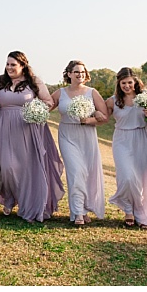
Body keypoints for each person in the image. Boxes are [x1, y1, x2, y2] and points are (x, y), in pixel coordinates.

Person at [0, 51, 64, 223]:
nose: (9, 68)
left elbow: (48, 102)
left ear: (23, 65)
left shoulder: (34, 81)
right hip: (5, 128)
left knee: (26, 169)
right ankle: (9, 198)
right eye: (7, 64)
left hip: (28, 130)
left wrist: (36, 110)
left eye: (13, 65)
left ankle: (26, 203)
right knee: (7, 167)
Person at [50, 60, 109, 226]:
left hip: (87, 135)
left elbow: (104, 117)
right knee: (76, 172)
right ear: (69, 74)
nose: (80, 75)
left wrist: (89, 119)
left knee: (87, 172)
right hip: (67, 135)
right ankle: (77, 213)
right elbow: (47, 106)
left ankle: (84, 207)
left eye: (82, 72)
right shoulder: (60, 93)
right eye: (76, 72)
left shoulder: (92, 92)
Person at [104, 67, 147, 229]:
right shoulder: (113, 101)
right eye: (123, 83)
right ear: (119, 83)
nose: (127, 86)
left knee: (144, 179)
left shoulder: (145, 97)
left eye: (130, 82)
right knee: (127, 177)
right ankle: (128, 210)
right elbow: (102, 117)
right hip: (122, 140)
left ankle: (142, 214)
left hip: (142, 138)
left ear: (135, 82)